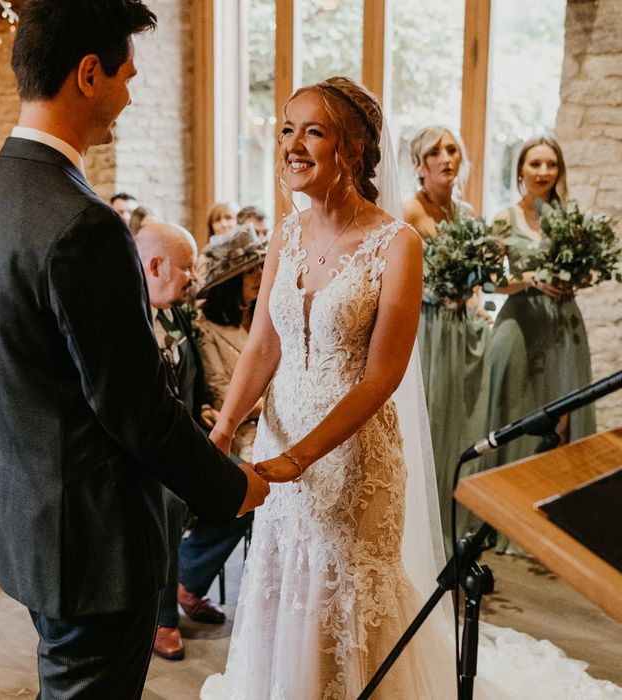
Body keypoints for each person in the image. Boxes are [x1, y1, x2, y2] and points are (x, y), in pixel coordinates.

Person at [0, 2, 268, 698]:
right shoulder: (82, 225)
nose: (130, 94)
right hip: (91, 544)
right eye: (127, 75)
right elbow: (136, 409)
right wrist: (229, 488)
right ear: (88, 75)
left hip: (29, 521)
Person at [202, 76, 456, 699]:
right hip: (280, 443)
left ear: (354, 149)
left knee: (341, 599)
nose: (293, 144)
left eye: (313, 131)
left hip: (353, 460)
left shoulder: (397, 244)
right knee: (286, 584)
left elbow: (382, 376)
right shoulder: (285, 235)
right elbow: (264, 344)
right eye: (287, 129)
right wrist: (226, 425)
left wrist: (300, 455)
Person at [136, 222, 253, 661]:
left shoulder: (178, 315)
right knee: (168, 503)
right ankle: (160, 618)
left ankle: (189, 580)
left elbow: (194, 382)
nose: (194, 279)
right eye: (187, 268)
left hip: (185, 441)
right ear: (154, 266)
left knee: (245, 484)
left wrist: (205, 410)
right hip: (145, 455)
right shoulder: (127, 321)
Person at [486, 136, 596, 492]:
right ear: (521, 170)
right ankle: (507, 503)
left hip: (564, 324)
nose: (543, 172)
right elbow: (487, 281)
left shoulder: (570, 218)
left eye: (551, 165)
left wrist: (575, 276)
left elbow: (585, 272)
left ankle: (558, 503)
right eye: (535, 164)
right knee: (515, 411)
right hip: (519, 324)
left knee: (565, 411)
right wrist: (529, 278)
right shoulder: (505, 218)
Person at [403, 125, 489, 553]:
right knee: (427, 422)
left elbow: (487, 280)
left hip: (458, 328)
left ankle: (453, 525)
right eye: (435, 152)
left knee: (459, 421)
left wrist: (482, 311)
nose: (446, 158)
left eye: (453, 149)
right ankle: (419, 532)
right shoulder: (409, 213)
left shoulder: (469, 214)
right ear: (420, 164)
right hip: (423, 327)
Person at [197, 224, 266, 460]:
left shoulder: (266, 316)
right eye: (249, 272)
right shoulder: (206, 327)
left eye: (260, 267)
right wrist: (271, 407)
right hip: (242, 431)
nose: (259, 276)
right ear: (230, 282)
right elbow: (220, 393)